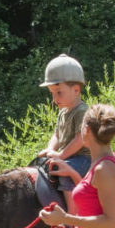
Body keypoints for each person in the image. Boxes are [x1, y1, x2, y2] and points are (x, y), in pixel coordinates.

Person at [37, 53, 91, 214]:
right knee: (42, 165)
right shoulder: (63, 111)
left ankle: (72, 216)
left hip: (83, 158)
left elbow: (80, 139)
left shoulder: (82, 111)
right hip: (69, 156)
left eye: (59, 93)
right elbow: (57, 134)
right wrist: (50, 149)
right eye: (52, 93)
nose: (54, 99)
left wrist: (60, 155)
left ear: (76, 90)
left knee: (65, 173)